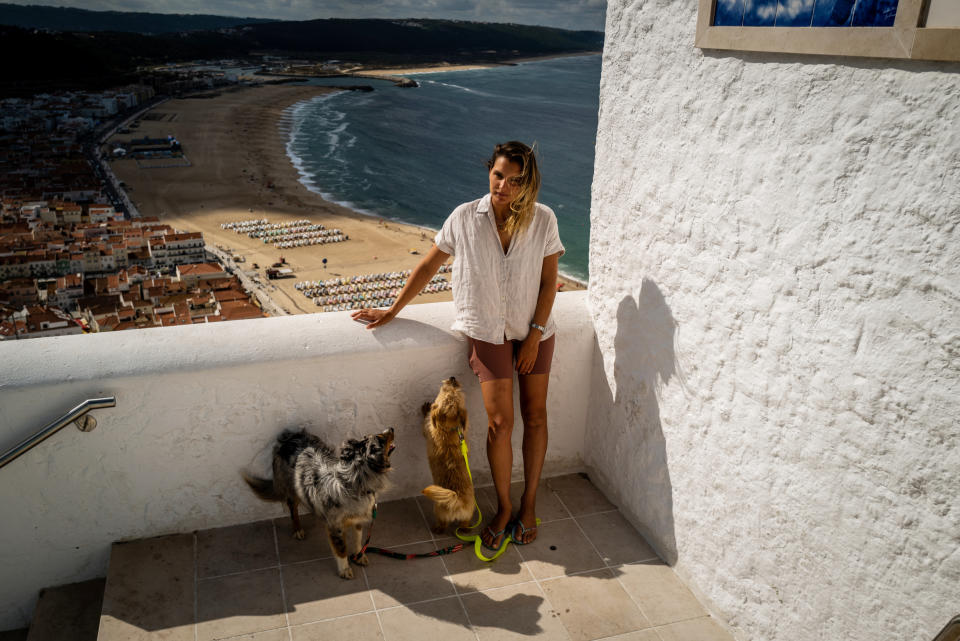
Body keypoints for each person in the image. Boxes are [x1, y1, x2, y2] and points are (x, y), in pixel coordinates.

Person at [351, 141, 564, 551]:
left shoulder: (544, 220)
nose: (504, 185)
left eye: (515, 180)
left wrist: (535, 335)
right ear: (490, 172)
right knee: (501, 425)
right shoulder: (465, 217)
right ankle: (503, 507)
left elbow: (548, 280)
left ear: (528, 184)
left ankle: (529, 502)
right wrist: (391, 311)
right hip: (486, 330)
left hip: (535, 327)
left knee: (535, 417)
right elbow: (429, 265)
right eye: (499, 174)